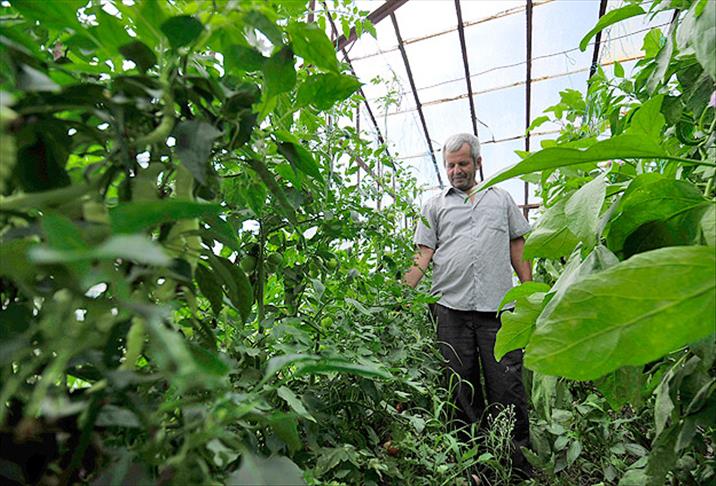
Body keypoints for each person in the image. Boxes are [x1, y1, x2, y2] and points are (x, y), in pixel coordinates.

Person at [404, 132, 532, 473]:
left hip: (498, 310)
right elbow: (423, 255)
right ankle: (471, 465)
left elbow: (517, 247)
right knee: (460, 389)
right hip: (450, 311)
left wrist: (530, 291)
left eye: (462, 163)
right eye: (450, 165)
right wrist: (400, 294)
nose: (456, 170)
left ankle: (516, 465)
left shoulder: (501, 198)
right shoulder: (434, 206)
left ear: (478, 162)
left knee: (507, 386)